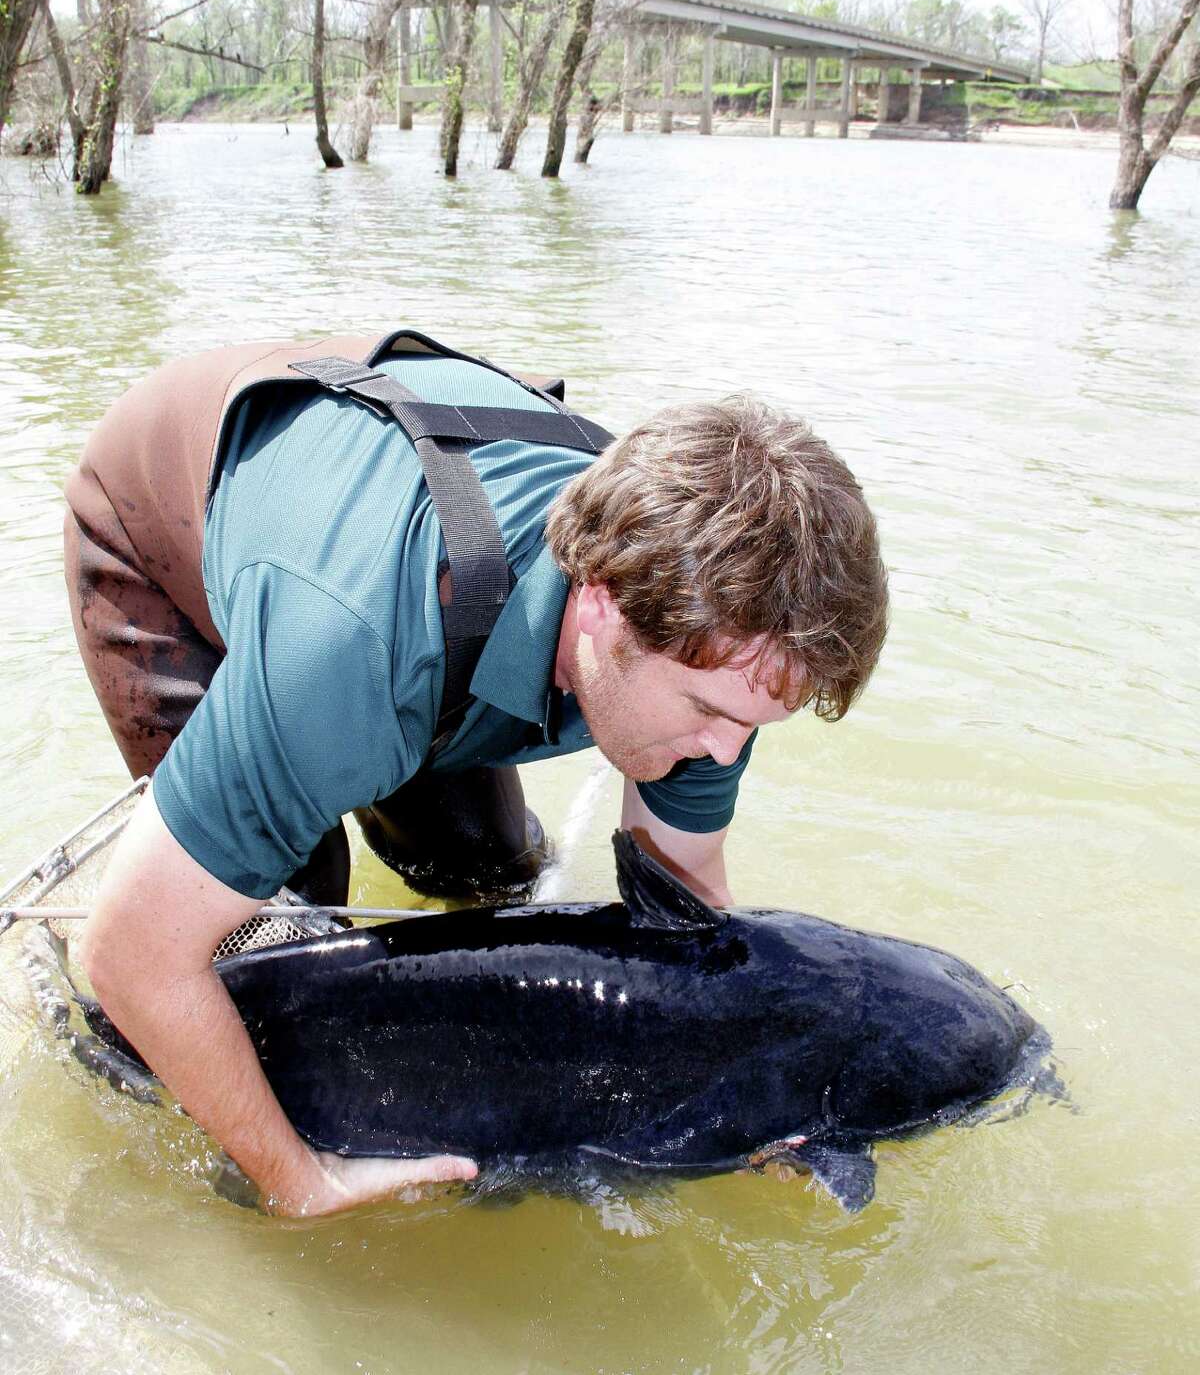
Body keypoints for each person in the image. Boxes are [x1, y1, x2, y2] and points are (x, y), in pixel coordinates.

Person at [63, 328, 887, 1218]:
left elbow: (687, 916)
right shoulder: (352, 650)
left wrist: (748, 1086)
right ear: (602, 603)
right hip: (162, 527)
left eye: (755, 724)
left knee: (483, 870)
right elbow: (133, 954)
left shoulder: (727, 639)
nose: (728, 751)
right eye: (711, 715)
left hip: (411, 559)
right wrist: (300, 1179)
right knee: (288, 929)